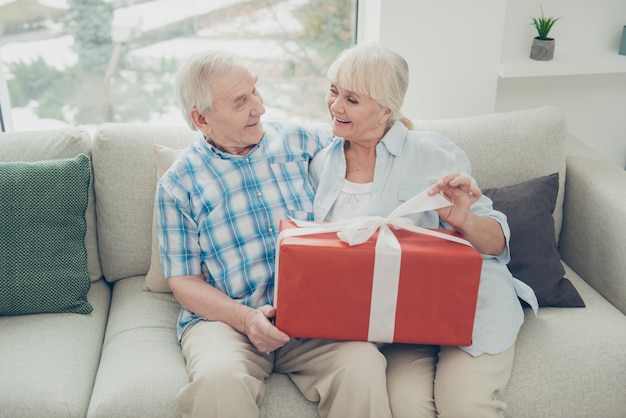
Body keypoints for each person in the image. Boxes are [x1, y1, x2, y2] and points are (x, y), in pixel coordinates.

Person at [155, 49, 392, 418]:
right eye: (240, 102)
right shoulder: (177, 184)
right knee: (219, 382)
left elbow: (372, 152)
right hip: (229, 322)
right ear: (202, 119)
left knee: (362, 367)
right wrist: (246, 319)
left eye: (255, 92)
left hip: (314, 318)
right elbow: (184, 281)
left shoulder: (302, 142)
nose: (259, 108)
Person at [309, 43, 539, 418]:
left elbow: (497, 242)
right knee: (405, 406)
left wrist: (462, 218)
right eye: (333, 91)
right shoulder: (322, 164)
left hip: (469, 308)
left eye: (351, 99)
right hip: (402, 321)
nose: (335, 106)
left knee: (464, 405)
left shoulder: (433, 153)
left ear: (386, 109)